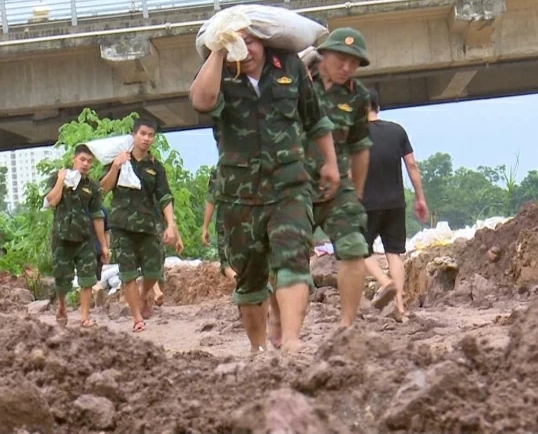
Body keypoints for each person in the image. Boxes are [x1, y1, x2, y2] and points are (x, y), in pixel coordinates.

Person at [189, 29, 340, 353]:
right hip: (240, 195)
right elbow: (201, 101)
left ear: (266, 41)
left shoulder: (289, 66)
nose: (248, 49)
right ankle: (258, 351)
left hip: (289, 186)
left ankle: (292, 340)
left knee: (293, 259)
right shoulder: (220, 74)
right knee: (250, 279)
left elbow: (315, 119)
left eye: (253, 41)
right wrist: (218, 51)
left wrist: (330, 162)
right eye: (239, 43)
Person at [306, 27, 374, 328]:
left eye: (354, 62)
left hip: (338, 186)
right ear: (324, 54)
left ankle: (347, 325)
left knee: (354, 246)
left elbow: (360, 147)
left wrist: (356, 196)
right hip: (294, 183)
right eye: (341, 59)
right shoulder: (300, 82)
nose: (347, 67)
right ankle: (282, 325)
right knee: (282, 255)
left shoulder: (358, 96)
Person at [100, 117, 181, 333]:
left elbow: (165, 197)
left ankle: (145, 294)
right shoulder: (118, 161)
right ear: (134, 135)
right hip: (122, 227)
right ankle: (137, 318)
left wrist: (171, 225)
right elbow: (103, 189)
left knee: (153, 272)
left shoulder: (156, 168)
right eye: (142, 133)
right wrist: (115, 167)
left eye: (150, 135)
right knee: (128, 274)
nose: (146, 138)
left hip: (149, 226)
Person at [362, 88, 429, 320]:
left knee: (359, 250)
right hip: (395, 202)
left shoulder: (354, 134)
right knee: (394, 253)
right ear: (378, 107)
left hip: (365, 203)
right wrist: (420, 198)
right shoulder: (397, 131)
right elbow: (412, 165)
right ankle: (399, 308)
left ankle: (385, 282)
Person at [44, 145, 109, 328]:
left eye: (89, 161)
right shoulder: (58, 177)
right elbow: (52, 201)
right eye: (82, 159)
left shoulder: (93, 187)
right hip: (62, 237)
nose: (85, 164)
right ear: (74, 159)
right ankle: (62, 305)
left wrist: (103, 245)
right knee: (62, 278)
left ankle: (85, 316)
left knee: (87, 278)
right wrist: (60, 180)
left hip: (84, 238)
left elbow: (97, 216)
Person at [202, 168, 235, 279]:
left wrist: (205, 227)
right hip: (252, 224)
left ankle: (243, 289)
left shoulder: (221, 168)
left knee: (227, 266)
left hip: (226, 225)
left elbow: (211, 199)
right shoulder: (256, 164)